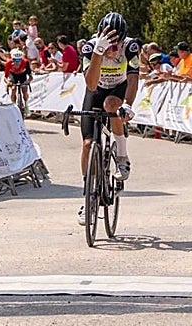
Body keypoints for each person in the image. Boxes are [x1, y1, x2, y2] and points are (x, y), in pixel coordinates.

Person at [78, 12, 140, 226]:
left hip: (118, 88)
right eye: (110, 44)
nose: (114, 49)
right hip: (96, 89)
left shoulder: (131, 47)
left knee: (112, 106)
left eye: (118, 44)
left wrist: (128, 105)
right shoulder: (90, 47)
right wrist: (98, 52)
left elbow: (133, 79)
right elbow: (91, 85)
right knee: (87, 144)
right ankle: (88, 195)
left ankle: (122, 156)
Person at [2, 46, 33, 112]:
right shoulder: (8, 63)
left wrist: (27, 81)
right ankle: (13, 105)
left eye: (19, 60)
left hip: (22, 74)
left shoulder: (25, 62)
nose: (17, 62)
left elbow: (30, 76)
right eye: (15, 60)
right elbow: (5, 77)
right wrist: (8, 82)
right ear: (12, 59)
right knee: (13, 89)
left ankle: (26, 105)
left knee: (24, 89)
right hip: (13, 74)